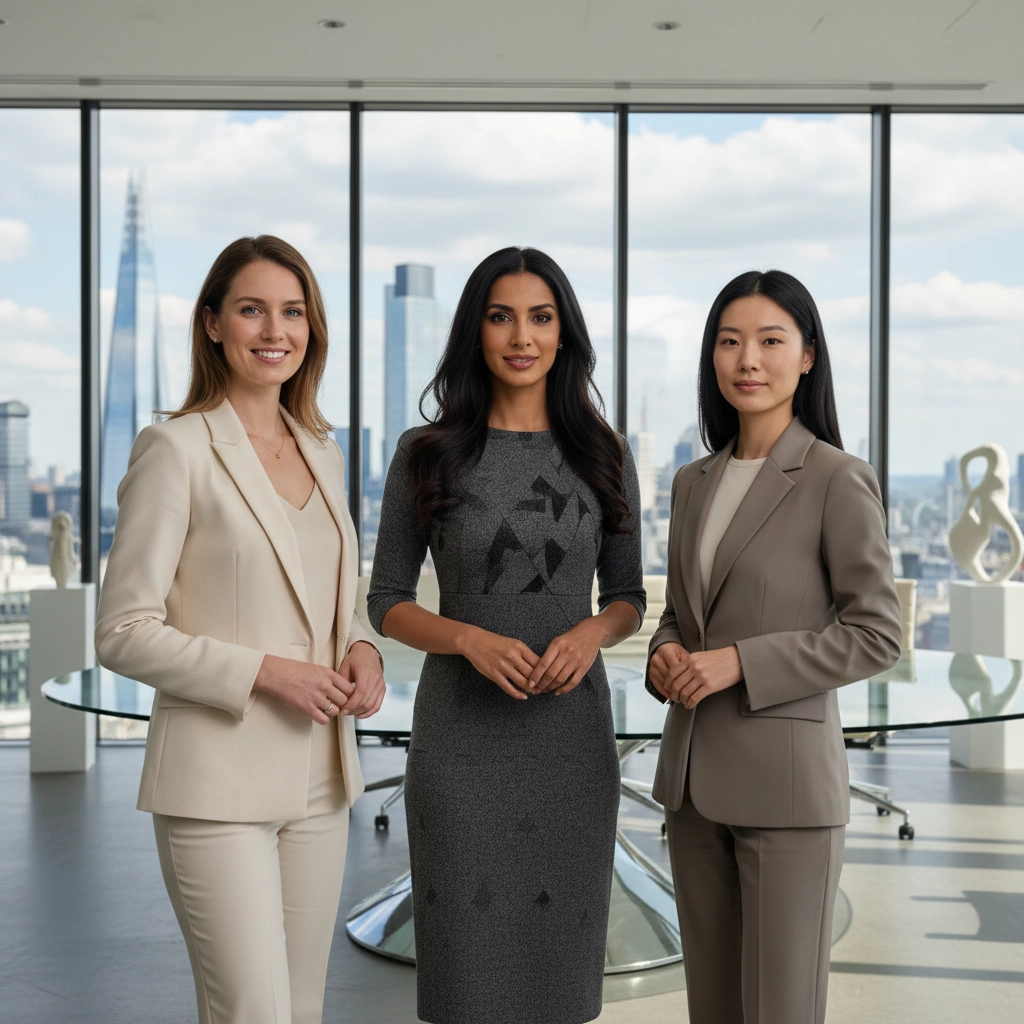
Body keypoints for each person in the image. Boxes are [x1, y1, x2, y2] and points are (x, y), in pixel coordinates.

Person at [95, 235, 386, 1024]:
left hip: (320, 780)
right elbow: (122, 629)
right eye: (252, 309)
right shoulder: (175, 449)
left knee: (303, 1007)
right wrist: (264, 671)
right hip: (216, 783)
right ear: (213, 324)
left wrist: (362, 646)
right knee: (252, 1013)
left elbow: (336, 600)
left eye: (293, 312)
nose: (274, 330)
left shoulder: (324, 453)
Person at [367, 246, 646, 1024]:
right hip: (459, 743)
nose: (521, 336)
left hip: (571, 745)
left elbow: (626, 596)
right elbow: (386, 600)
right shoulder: (425, 453)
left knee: (559, 981)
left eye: (540, 317)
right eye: (500, 317)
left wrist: (591, 632)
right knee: (465, 976)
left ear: (565, 334)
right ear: (474, 332)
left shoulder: (603, 450)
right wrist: (468, 640)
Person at [646, 269, 901, 1024]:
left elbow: (876, 633)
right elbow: (686, 616)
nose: (747, 359)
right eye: (729, 342)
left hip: (787, 794)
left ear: (808, 356)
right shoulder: (693, 482)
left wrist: (741, 663)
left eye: (769, 340)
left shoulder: (835, 478)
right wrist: (667, 654)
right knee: (713, 1010)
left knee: (782, 1010)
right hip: (692, 786)